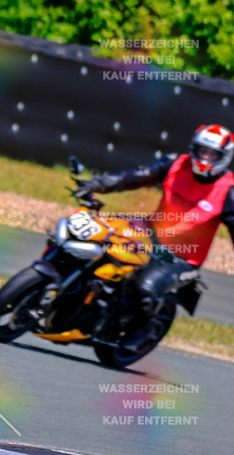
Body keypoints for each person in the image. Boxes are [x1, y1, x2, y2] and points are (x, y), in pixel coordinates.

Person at [71, 124, 234, 315]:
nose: (205, 157)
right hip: (150, 233)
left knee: (144, 289)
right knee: (93, 235)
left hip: (181, 257)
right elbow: (135, 176)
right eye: (202, 151)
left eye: (212, 154)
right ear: (193, 148)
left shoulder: (228, 192)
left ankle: (133, 340)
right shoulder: (176, 164)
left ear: (224, 157)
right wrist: (96, 184)